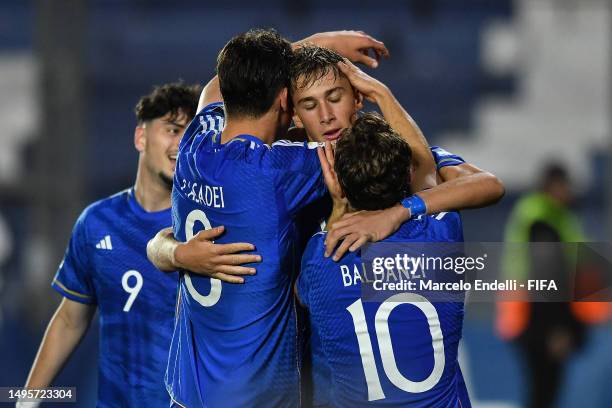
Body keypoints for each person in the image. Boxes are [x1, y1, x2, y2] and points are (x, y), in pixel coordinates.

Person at [164, 29, 393, 408]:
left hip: (188, 391)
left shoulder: (195, 144)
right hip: (254, 397)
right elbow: (364, 152)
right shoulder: (278, 171)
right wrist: (368, 85)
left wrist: (323, 42)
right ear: (286, 99)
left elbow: (214, 88)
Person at [22, 83, 260, 407]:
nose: (181, 144)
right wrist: (28, 399)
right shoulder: (96, 223)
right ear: (141, 137)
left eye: (190, 134)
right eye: (172, 129)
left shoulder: (210, 224)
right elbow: (69, 319)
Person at [296, 113, 470, 407]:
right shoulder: (443, 231)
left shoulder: (320, 257)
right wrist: (380, 92)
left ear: (341, 185)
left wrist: (338, 207)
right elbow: (463, 181)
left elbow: (301, 295)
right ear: (408, 174)